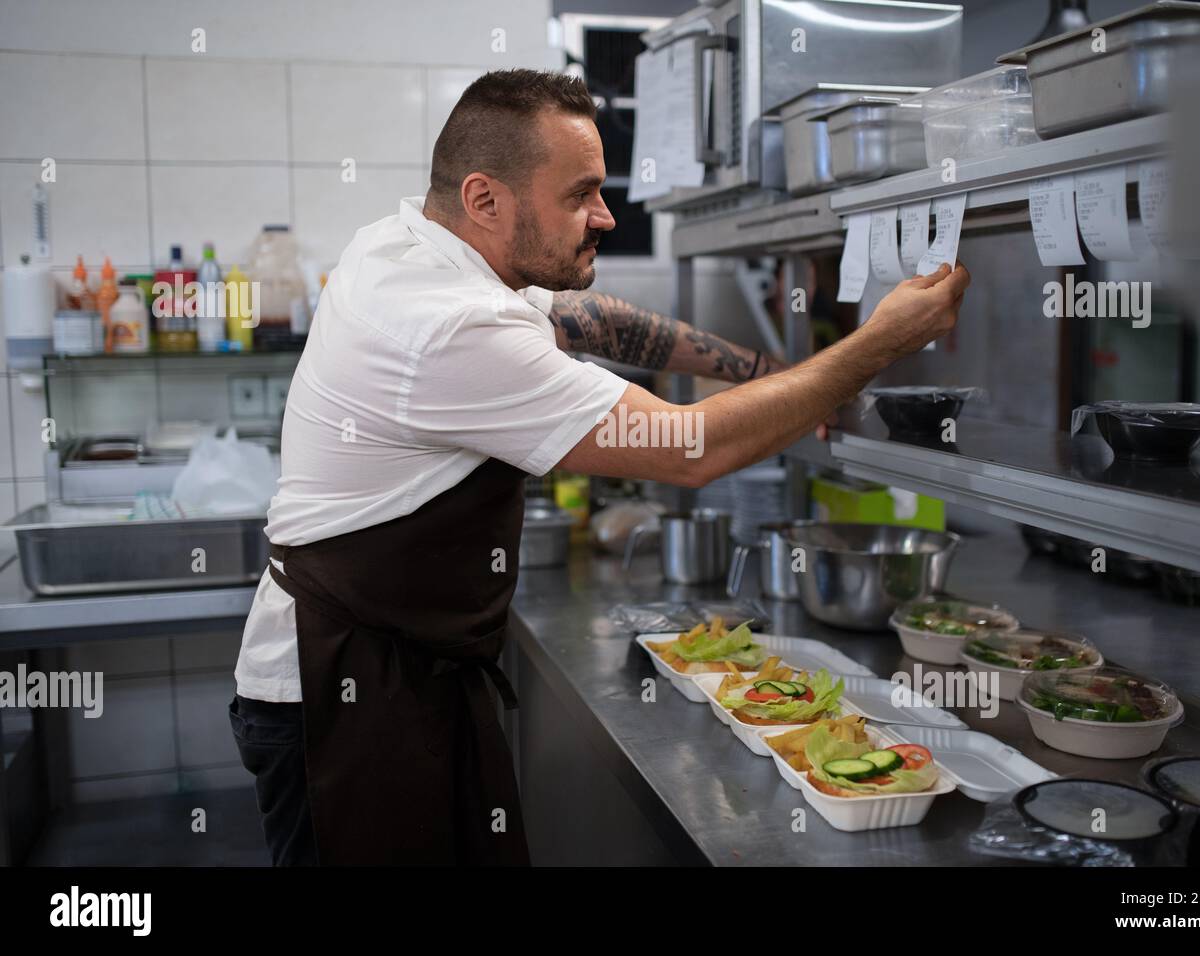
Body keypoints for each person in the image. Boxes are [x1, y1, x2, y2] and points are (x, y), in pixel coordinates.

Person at [229, 68, 970, 866]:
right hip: (342, 700)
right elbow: (692, 450)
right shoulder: (448, 325)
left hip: (391, 676)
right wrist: (875, 347)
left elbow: (589, 319)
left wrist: (758, 368)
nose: (606, 217)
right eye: (580, 195)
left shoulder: (411, 244)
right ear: (484, 200)